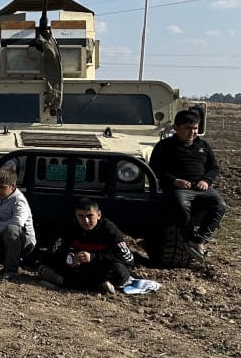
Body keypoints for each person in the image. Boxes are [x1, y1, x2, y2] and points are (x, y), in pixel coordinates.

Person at [149, 109, 227, 259]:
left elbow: (214, 168)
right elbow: (155, 168)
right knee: (180, 206)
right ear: (176, 128)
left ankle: (199, 240)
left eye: (195, 128)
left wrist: (206, 180)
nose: (192, 132)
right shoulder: (164, 146)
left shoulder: (203, 145)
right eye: (188, 128)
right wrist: (174, 181)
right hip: (178, 188)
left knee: (220, 205)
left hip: (202, 187)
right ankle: (189, 238)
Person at [39, 198, 134, 294]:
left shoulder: (110, 230)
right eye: (81, 216)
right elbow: (55, 251)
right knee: (49, 262)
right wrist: (69, 258)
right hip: (81, 268)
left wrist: (93, 257)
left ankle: (62, 281)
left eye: (90, 216)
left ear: (99, 215)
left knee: (119, 271)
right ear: (76, 216)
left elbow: (128, 259)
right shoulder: (71, 228)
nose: (86, 221)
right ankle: (99, 286)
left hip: (102, 267)